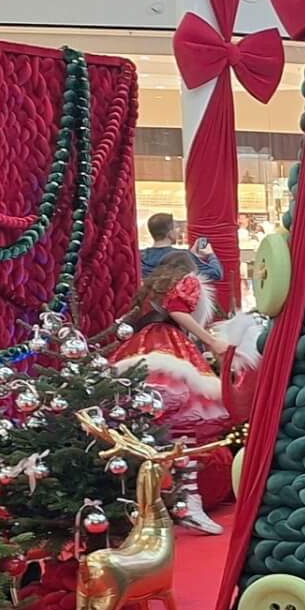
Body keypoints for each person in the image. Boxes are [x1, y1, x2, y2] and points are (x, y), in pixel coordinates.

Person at [111, 252, 230, 533]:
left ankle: (152, 505)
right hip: (171, 347)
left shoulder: (151, 287)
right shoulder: (189, 281)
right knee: (184, 427)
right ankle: (188, 500)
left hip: (139, 348)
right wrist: (211, 340)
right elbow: (178, 310)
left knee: (149, 428)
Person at [140, 213, 223, 284]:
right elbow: (216, 273)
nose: (178, 231)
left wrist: (191, 256)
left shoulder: (140, 257)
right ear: (170, 234)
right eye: (175, 228)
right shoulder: (181, 256)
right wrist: (210, 255)